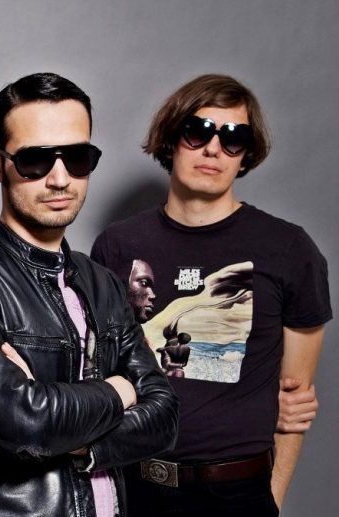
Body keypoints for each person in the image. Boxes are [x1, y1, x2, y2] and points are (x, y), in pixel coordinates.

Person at [0, 72, 178, 517]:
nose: (60, 179)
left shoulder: (102, 283)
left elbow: (165, 417)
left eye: (77, 158)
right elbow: (23, 424)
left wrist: (66, 431)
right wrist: (119, 391)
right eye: (35, 160)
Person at [91, 74, 331, 515]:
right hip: (134, 485)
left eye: (234, 137)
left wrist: (271, 499)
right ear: (171, 139)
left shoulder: (289, 249)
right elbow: (100, 367)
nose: (214, 149)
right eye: (198, 131)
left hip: (238, 493)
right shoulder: (117, 245)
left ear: (246, 154)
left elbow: (295, 402)